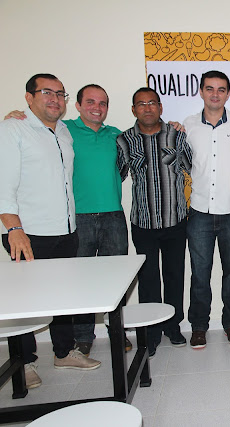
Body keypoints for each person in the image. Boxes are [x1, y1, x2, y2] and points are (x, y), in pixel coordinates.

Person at [4, 85, 132, 356]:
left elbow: (122, 169)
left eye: (103, 103)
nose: (97, 108)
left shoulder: (116, 135)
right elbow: (36, 126)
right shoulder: (65, 129)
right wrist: (18, 116)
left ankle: (117, 332)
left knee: (116, 280)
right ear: (78, 105)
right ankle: (83, 336)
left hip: (113, 216)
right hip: (77, 220)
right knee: (80, 283)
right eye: (91, 102)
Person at [0, 73, 102, 389]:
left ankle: (64, 352)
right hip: (28, 233)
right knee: (27, 302)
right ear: (29, 97)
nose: (55, 99)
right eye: (47, 92)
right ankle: (25, 363)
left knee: (63, 297)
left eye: (60, 94)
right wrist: (14, 228)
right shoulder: (13, 129)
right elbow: (3, 184)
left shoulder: (64, 132)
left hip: (66, 229)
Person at [116, 87, 192, 356]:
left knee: (174, 276)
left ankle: (173, 326)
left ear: (160, 107)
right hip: (143, 223)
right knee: (148, 280)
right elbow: (118, 175)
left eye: (152, 103)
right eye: (141, 104)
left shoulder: (176, 135)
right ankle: (151, 332)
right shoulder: (124, 140)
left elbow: (191, 167)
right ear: (133, 109)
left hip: (175, 221)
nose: (147, 108)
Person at [182, 71, 230, 349]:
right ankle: (199, 327)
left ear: (228, 94)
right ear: (201, 91)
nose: (215, 94)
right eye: (209, 88)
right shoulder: (188, 125)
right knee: (200, 274)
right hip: (199, 211)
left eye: (221, 89)